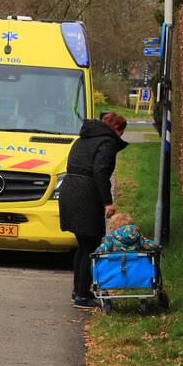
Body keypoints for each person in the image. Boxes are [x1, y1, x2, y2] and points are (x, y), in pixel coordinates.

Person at [59, 111, 129, 309]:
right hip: (85, 196)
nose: (121, 137)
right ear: (117, 129)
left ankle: (78, 291)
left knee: (82, 244)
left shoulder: (83, 138)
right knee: (91, 245)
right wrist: (108, 202)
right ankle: (82, 295)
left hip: (70, 190)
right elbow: (99, 172)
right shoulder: (107, 143)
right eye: (121, 132)